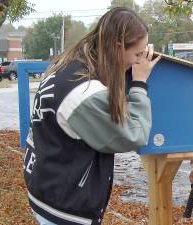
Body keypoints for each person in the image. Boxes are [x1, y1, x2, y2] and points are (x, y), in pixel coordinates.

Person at [23, 7, 161, 225]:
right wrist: (139, 83)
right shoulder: (84, 92)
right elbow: (135, 135)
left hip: (46, 188)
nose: (138, 62)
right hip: (65, 207)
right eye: (136, 54)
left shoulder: (68, 66)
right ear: (116, 47)